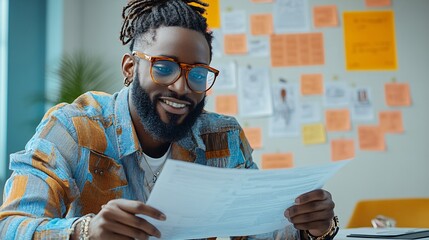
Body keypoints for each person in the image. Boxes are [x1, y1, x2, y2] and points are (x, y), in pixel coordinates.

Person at [0, 0, 339, 239]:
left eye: (197, 74)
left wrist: (311, 227)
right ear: (130, 68)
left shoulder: (223, 137)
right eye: (163, 67)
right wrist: (85, 232)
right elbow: (11, 225)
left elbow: (253, 231)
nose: (181, 87)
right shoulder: (73, 129)